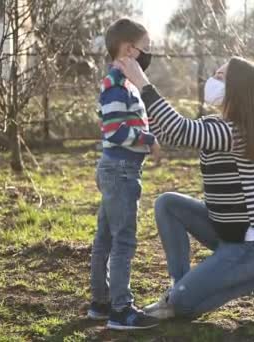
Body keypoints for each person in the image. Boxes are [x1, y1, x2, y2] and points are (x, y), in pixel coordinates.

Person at [113, 55, 254, 320]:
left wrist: (142, 81)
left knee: (183, 307)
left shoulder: (235, 133)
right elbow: (171, 133)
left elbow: (181, 129)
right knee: (167, 203)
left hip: (251, 248)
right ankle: (180, 285)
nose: (212, 80)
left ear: (237, 89)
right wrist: (127, 110)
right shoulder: (216, 126)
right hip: (224, 231)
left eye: (221, 77)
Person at [87, 18, 160, 330]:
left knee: (105, 238)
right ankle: (121, 310)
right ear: (130, 50)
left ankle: (100, 303)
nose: (148, 56)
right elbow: (116, 131)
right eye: (146, 49)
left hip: (117, 170)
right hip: (121, 172)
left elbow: (120, 124)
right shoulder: (117, 85)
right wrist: (149, 140)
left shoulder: (121, 84)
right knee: (123, 242)